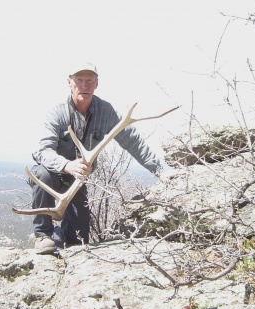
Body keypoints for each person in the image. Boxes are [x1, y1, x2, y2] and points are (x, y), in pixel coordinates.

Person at [30, 62, 162, 254]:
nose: (84, 85)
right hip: (53, 172)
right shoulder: (57, 113)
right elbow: (42, 151)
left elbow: (132, 141)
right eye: (79, 80)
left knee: (79, 240)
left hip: (77, 180)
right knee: (42, 175)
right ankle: (42, 235)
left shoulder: (106, 111)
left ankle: (60, 238)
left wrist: (159, 171)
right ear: (70, 82)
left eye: (89, 80)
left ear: (96, 83)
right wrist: (66, 165)